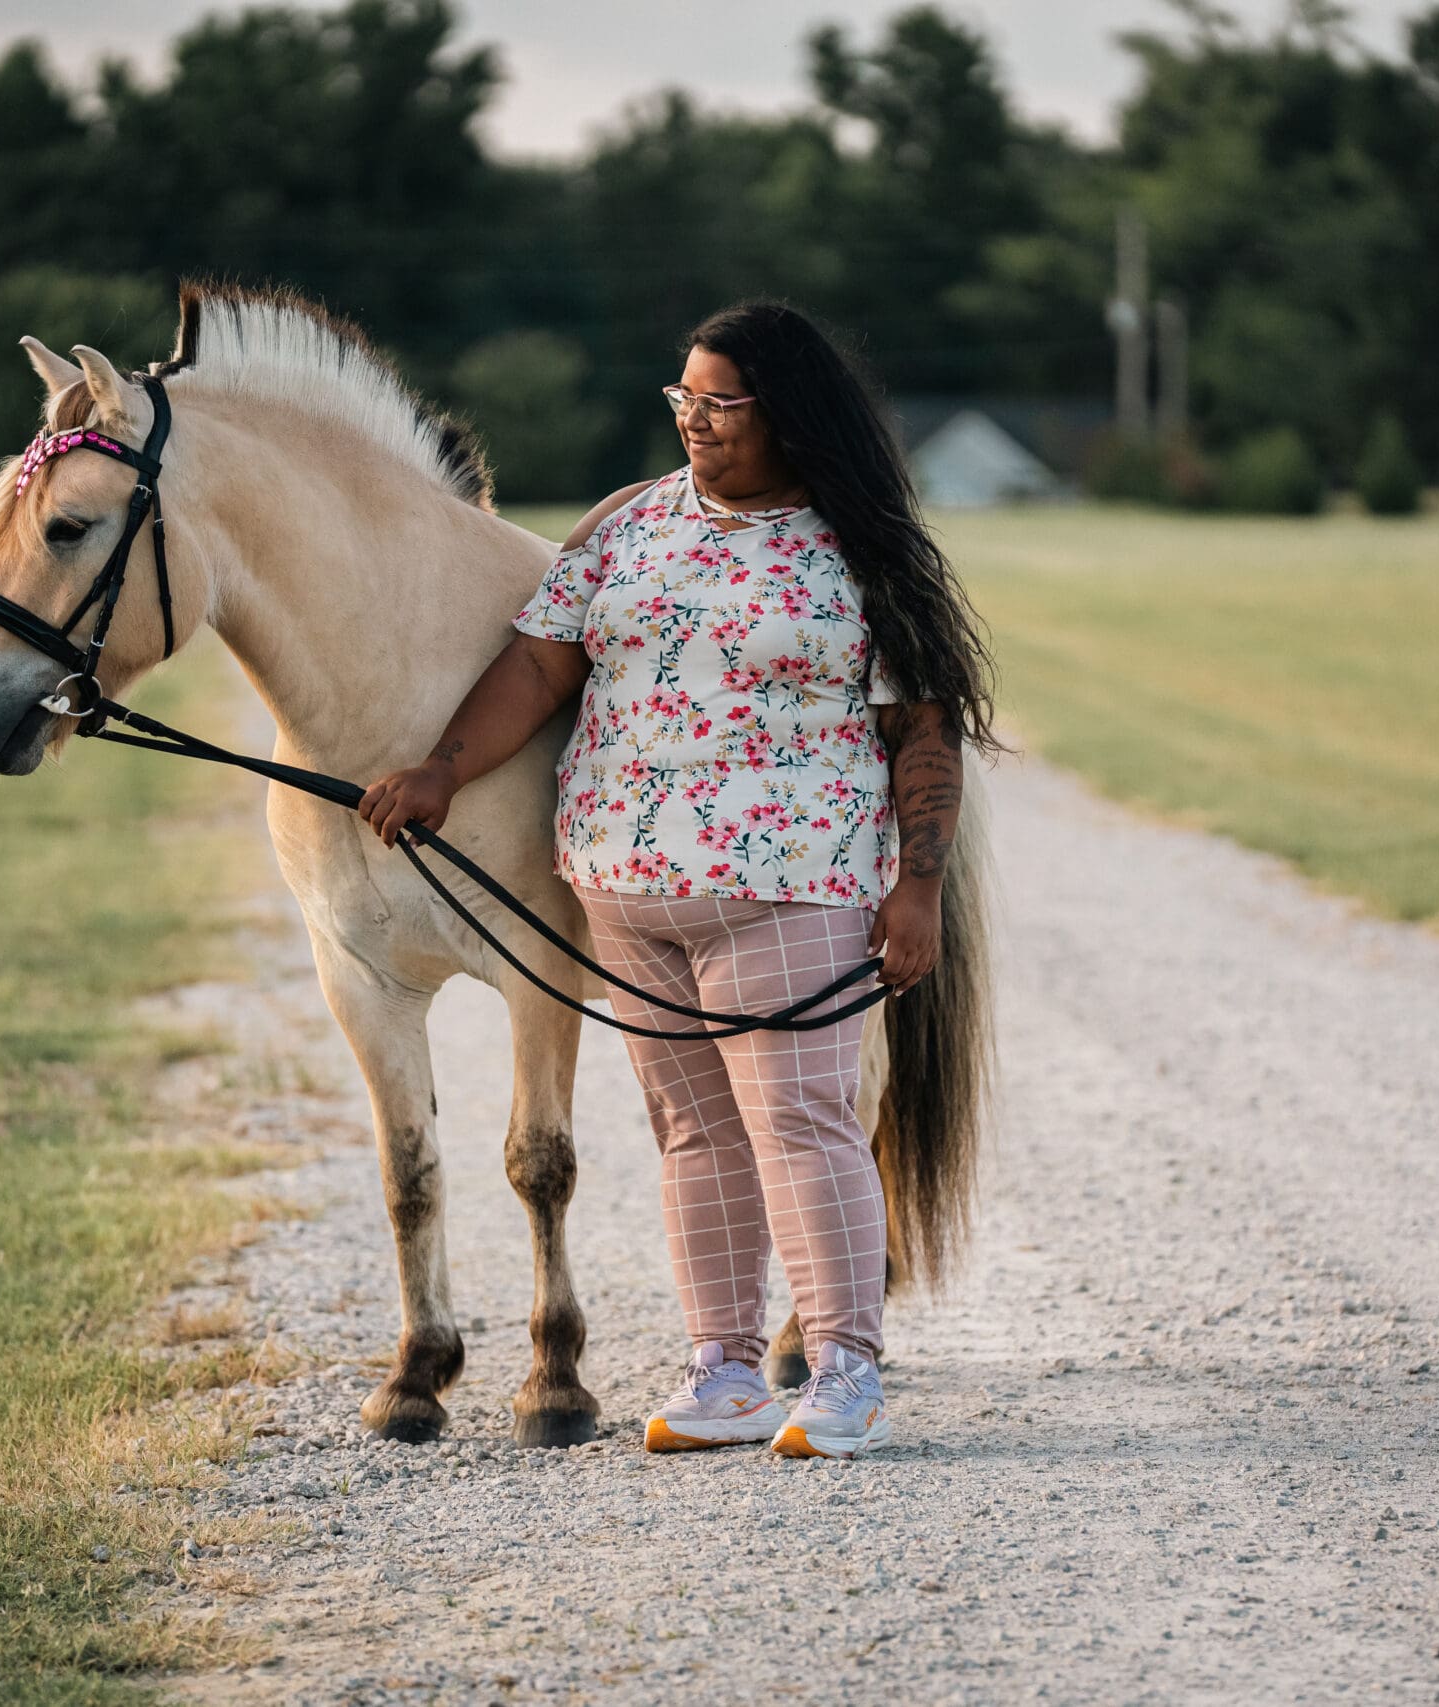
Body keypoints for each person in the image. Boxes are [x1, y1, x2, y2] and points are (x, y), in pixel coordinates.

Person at [358, 301, 997, 1459]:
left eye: (719, 403)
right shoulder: (626, 525)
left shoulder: (862, 550)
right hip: (625, 891)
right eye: (682, 399)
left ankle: (845, 1374)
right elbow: (540, 666)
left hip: (792, 886)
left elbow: (922, 731)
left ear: (786, 413)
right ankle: (726, 1371)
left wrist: (918, 890)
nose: (693, 421)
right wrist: (443, 770)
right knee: (694, 1135)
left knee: (800, 1123)